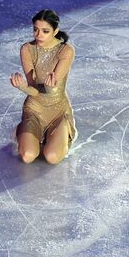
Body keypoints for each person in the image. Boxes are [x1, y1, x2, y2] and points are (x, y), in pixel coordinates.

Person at [10, 9, 77, 164]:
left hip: (57, 111)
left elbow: (52, 87)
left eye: (45, 31)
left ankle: (58, 134)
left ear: (55, 31)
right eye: (35, 29)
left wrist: (51, 86)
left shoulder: (66, 51)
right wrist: (22, 87)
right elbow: (33, 90)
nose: (38, 35)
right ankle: (24, 132)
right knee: (28, 156)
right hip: (34, 108)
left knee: (52, 157)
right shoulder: (27, 49)